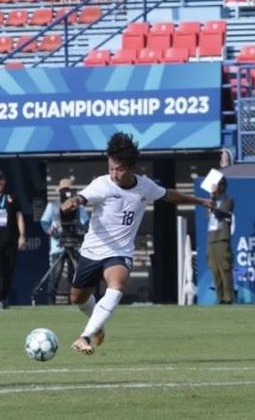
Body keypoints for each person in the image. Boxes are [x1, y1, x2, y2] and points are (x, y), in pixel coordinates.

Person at [61, 132, 213, 355]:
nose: (114, 173)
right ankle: (98, 324)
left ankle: (85, 336)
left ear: (131, 167)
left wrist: (200, 201)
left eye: (119, 169)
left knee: (117, 284)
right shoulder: (101, 185)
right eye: (111, 168)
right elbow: (83, 197)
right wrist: (74, 201)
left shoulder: (145, 187)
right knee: (77, 298)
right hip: (92, 250)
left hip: (120, 252)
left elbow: (169, 195)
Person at [40, 178, 90, 303]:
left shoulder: (78, 207)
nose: (66, 193)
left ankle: (72, 300)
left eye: (69, 190)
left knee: (74, 275)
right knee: (56, 273)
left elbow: (86, 223)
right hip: (58, 244)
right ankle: (50, 301)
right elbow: (44, 222)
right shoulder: (53, 205)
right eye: (64, 191)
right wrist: (49, 231)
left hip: (75, 245)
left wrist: (82, 230)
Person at [0, 169, 26, 309]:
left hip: (9, 239)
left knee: (8, 270)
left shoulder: (11, 198)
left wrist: (22, 235)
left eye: (1, 180)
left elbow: (19, 216)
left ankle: (4, 298)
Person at [208, 177, 235, 304]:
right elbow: (209, 213)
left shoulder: (228, 200)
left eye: (218, 185)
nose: (216, 187)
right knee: (215, 269)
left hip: (222, 237)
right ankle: (220, 298)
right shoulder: (211, 201)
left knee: (225, 268)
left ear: (223, 186)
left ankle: (228, 297)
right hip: (211, 238)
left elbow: (219, 214)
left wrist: (212, 198)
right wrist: (212, 198)